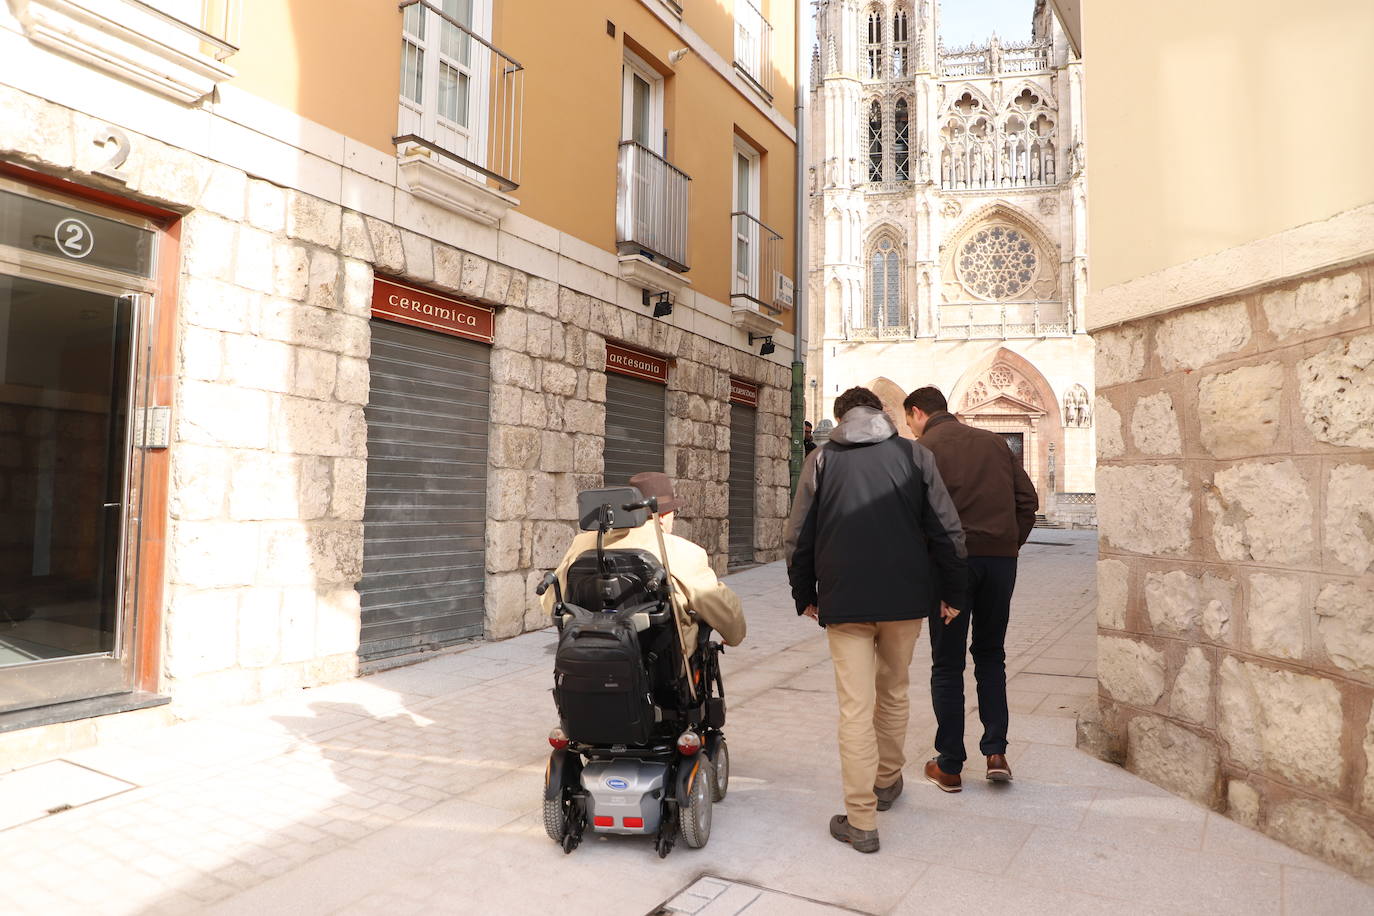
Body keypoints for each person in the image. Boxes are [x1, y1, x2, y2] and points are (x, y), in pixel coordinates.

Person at [785, 387, 967, 853]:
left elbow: (799, 534)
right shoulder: (914, 456)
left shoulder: (822, 460)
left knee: (854, 707)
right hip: (907, 600)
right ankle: (887, 782)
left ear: (840, 418)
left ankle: (861, 819)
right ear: (884, 414)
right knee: (895, 690)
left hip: (844, 601)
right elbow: (946, 528)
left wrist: (805, 592)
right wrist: (952, 592)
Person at [902, 386, 1038, 791]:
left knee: (947, 663)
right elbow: (1027, 501)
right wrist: (1008, 544)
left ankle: (950, 764)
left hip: (951, 568)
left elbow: (912, 517)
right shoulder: (994, 443)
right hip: (1000, 563)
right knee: (991, 654)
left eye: (909, 421)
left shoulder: (921, 451)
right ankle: (996, 751)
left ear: (916, 412)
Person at [539, 472, 746, 649]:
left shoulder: (582, 544)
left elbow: (550, 601)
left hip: (592, 654)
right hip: (662, 670)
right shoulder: (681, 551)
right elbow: (722, 609)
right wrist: (733, 634)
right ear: (663, 515)